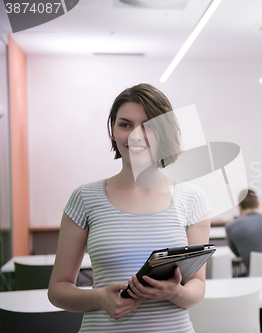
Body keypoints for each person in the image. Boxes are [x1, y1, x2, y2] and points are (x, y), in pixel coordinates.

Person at [48, 84, 210, 333]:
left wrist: (175, 292)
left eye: (149, 126)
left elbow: (197, 286)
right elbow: (58, 290)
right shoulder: (84, 198)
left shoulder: (192, 198)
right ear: (113, 130)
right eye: (125, 124)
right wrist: (100, 297)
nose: (136, 135)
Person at [225, 189, 262, 275]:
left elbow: (237, 254)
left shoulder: (232, 227)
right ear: (258, 204)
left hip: (252, 278)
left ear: (239, 206)